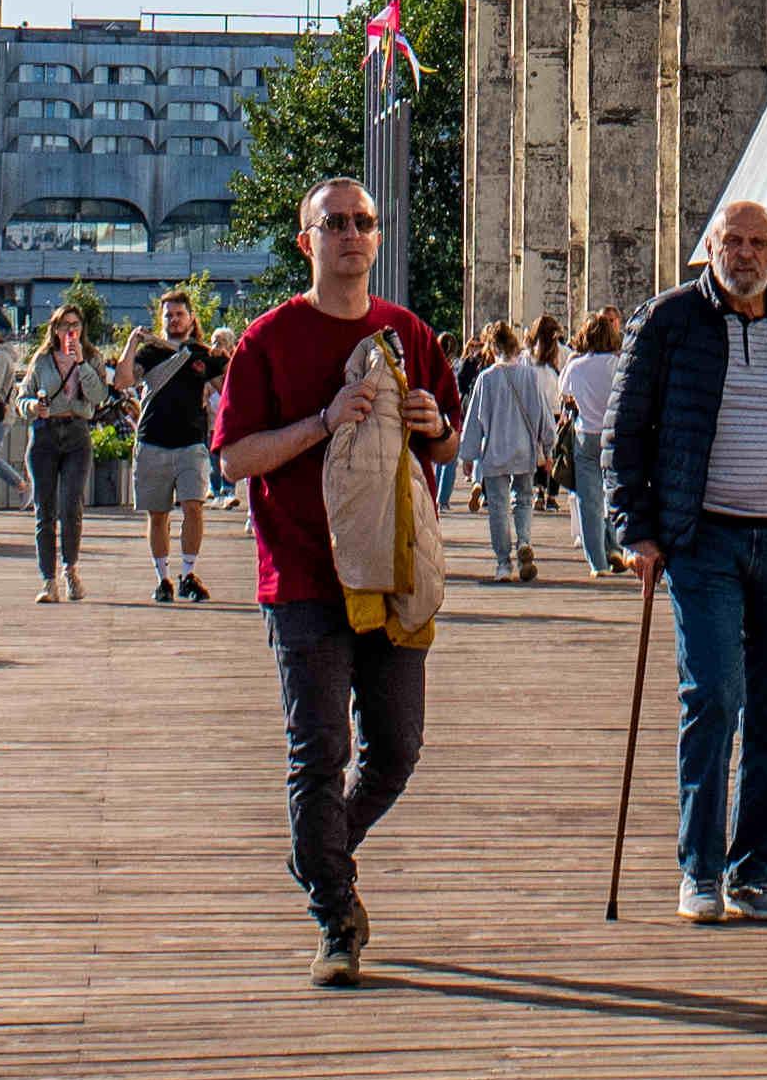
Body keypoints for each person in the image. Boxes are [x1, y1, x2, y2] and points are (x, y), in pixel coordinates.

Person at [213, 182, 450, 984]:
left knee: (397, 748)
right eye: (334, 223)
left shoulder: (407, 332)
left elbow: (447, 445)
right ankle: (335, 916)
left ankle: (319, 853)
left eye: (363, 223)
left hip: (393, 570)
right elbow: (234, 458)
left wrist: (433, 426)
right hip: (304, 574)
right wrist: (322, 421)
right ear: (305, 239)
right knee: (318, 751)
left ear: (377, 239)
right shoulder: (268, 339)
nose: (351, 234)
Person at [617, 199, 767, 925]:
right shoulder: (668, 320)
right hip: (702, 540)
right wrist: (635, 530)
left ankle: (754, 870)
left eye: (759, 243)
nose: (746, 254)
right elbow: (624, 428)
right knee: (714, 697)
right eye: (733, 242)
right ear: (710, 248)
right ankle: (700, 869)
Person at [12, 302, 121, 601]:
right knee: (44, 510)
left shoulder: (93, 358)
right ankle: (48, 581)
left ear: (82, 329)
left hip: (76, 433)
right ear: (55, 329)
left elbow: (98, 396)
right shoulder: (42, 359)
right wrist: (32, 407)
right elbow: (21, 399)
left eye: (75, 325)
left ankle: (70, 571)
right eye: (64, 325)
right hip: (45, 434)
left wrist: (81, 363)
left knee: (71, 506)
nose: (70, 331)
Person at [450, 322, 558, 584]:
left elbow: (475, 420)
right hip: (524, 449)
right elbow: (543, 415)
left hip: (495, 450)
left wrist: (468, 456)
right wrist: (548, 447)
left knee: (498, 507)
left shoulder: (486, 379)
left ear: (492, 348)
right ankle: (524, 542)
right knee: (523, 499)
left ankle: (503, 564)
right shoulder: (530, 376)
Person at [133, 303, 221, 603]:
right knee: (157, 514)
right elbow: (123, 380)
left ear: (191, 318)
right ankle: (163, 579)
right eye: (168, 315)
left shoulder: (201, 354)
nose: (174, 320)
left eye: (179, 314)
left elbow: (229, 386)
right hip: (153, 440)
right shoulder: (150, 353)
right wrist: (132, 344)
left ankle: (188, 573)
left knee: (193, 506)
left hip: (191, 442)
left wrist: (226, 356)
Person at [559, 309, 626, 569]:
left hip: (586, 434)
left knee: (589, 502)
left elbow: (564, 393)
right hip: (614, 433)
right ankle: (617, 546)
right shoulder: (619, 364)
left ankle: (597, 563)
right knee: (616, 494)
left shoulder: (575, 366)